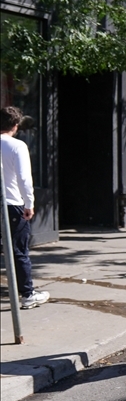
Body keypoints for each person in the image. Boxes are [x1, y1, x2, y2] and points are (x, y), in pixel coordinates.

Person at [1, 106, 49, 309]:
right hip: (12, 203)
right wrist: (29, 203)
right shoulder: (17, 146)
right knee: (19, 251)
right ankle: (27, 294)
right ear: (16, 125)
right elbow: (24, 178)